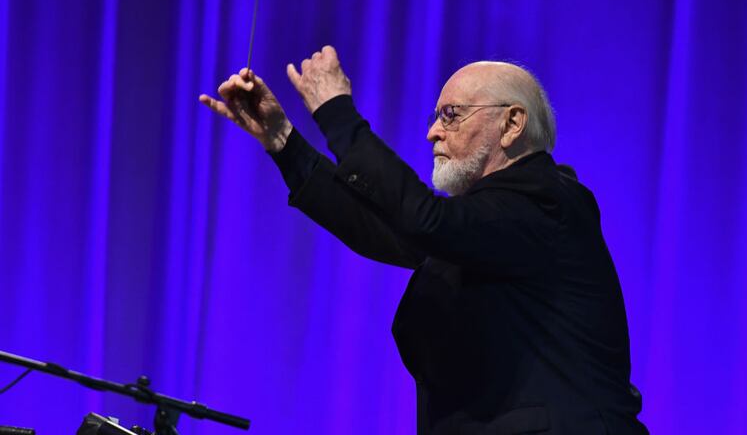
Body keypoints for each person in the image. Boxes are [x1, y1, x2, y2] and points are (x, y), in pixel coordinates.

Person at [199, 45, 649, 435]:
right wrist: (283, 140)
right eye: (435, 117)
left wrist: (336, 112)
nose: (433, 131)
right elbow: (385, 228)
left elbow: (423, 220)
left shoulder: (548, 202)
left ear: (512, 124)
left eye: (451, 115)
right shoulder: (481, 229)